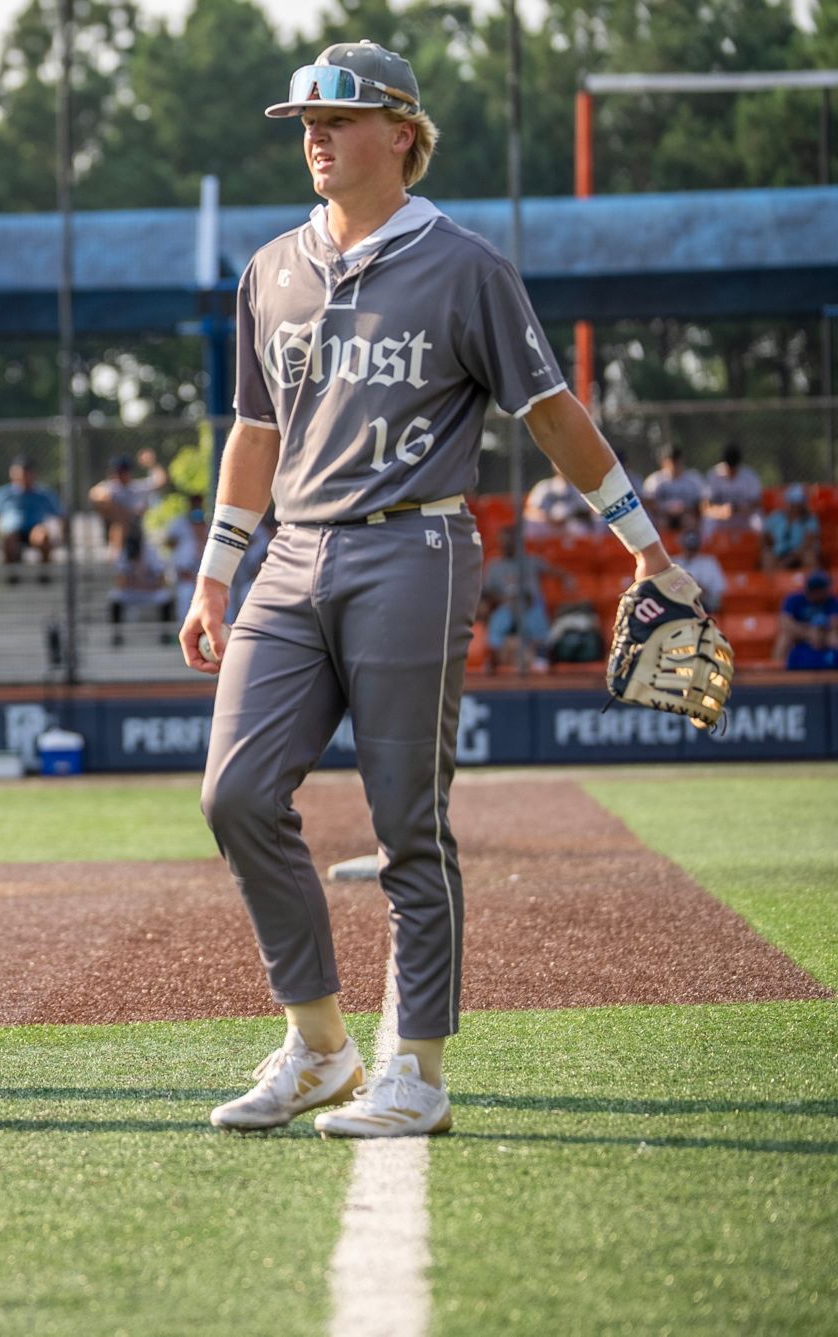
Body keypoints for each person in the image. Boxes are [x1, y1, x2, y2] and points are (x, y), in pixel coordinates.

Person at [182, 41, 708, 1139]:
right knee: (231, 794)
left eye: (335, 120)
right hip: (287, 555)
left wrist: (645, 550)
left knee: (404, 823)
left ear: (402, 135)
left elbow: (552, 413)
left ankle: (413, 1067)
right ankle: (320, 1045)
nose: (312, 138)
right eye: (302, 124)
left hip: (410, 551)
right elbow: (252, 431)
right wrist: (213, 572)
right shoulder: (268, 266)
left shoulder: (463, 264)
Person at [0, 456, 66, 577]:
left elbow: (60, 516)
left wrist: (63, 535)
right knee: (9, 539)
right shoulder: (3, 493)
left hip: (34, 530)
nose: (24, 479)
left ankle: (45, 573)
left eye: (27, 474)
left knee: (43, 536)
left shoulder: (44, 493)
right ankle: (12, 574)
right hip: (13, 532)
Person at [88, 450, 168, 556]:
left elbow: (161, 482)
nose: (121, 475)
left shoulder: (136, 488)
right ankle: (117, 556)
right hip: (119, 538)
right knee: (119, 523)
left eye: (124, 471)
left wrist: (152, 464)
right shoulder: (111, 488)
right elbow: (95, 494)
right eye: (119, 471)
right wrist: (123, 511)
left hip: (138, 535)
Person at [109, 529, 174, 646]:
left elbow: (162, 580)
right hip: (132, 591)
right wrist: (135, 580)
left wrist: (143, 583)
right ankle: (116, 635)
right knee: (115, 596)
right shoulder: (125, 553)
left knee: (164, 596)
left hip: (150, 591)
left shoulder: (151, 553)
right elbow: (120, 582)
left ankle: (165, 634)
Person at [775, 569, 837, 669]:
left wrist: (818, 631)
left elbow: (835, 622)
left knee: (835, 637)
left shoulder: (832, 601)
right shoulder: (794, 599)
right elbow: (785, 623)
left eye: (819, 589)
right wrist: (808, 633)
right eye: (813, 588)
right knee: (784, 638)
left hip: (824, 633)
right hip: (800, 634)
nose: (816, 592)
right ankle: (777, 672)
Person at [702, 441, 764, 534]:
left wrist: (741, 509)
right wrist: (720, 510)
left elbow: (758, 503)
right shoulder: (714, 475)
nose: (731, 470)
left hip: (744, 516)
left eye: (734, 467)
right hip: (721, 517)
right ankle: (707, 548)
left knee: (757, 521)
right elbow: (705, 506)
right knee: (708, 522)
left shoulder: (750, 476)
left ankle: (758, 548)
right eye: (728, 467)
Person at [640, 446, 704, 530]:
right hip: (662, 516)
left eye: (677, 461)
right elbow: (647, 502)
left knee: (689, 521)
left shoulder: (693, 478)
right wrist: (666, 509)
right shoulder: (655, 479)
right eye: (671, 461)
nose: (675, 464)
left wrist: (686, 509)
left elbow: (702, 503)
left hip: (687, 514)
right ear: (663, 462)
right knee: (661, 523)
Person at [762, 484, 822, 572]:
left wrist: (788, 561)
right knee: (767, 557)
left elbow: (808, 544)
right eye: (793, 503)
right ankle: (771, 585)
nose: (796, 507)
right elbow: (766, 540)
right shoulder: (775, 518)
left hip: (800, 554)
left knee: (809, 557)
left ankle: (811, 584)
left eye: (799, 504)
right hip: (780, 554)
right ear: (787, 503)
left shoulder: (810, 519)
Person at [522, 465, 592, 537]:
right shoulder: (544, 486)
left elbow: (587, 512)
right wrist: (551, 520)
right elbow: (531, 510)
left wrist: (566, 519)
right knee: (528, 523)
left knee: (578, 526)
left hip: (570, 525)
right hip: (547, 525)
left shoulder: (579, 488)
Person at [675, 523, 727, 612]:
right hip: (679, 605)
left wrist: (701, 589)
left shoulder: (710, 562)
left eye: (693, 549)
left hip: (704, 606)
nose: (691, 552)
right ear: (682, 545)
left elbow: (720, 589)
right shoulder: (674, 562)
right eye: (689, 548)